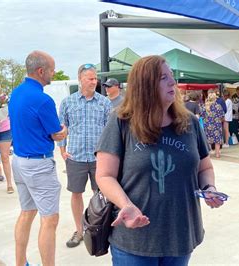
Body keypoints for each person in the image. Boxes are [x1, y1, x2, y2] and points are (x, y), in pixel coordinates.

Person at [95, 55, 225, 265]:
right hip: (135, 240)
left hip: (180, 236)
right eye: (163, 78)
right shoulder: (121, 121)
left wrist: (209, 187)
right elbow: (104, 175)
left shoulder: (189, 123)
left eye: (171, 76)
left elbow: (204, 167)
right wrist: (125, 205)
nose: (172, 82)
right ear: (145, 85)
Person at [9, 50, 67, 266]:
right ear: (41, 71)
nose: (53, 73)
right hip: (38, 164)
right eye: (52, 69)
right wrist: (64, 131)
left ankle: (19, 262)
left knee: (26, 212)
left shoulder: (16, 93)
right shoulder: (43, 99)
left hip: (19, 161)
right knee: (50, 219)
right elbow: (56, 133)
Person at [58, 63, 112, 248]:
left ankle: (102, 229)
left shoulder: (105, 103)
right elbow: (61, 128)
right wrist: (62, 151)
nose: (94, 81)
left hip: (100, 159)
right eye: (90, 78)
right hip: (76, 158)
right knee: (76, 194)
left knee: (103, 194)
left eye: (95, 78)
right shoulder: (68, 102)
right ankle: (79, 231)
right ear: (80, 79)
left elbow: (109, 131)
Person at [201, 92, 225, 158]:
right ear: (215, 98)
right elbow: (222, 116)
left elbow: (202, 116)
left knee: (208, 140)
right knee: (217, 140)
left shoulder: (204, 106)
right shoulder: (218, 106)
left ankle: (208, 154)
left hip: (207, 125)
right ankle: (217, 154)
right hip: (217, 125)